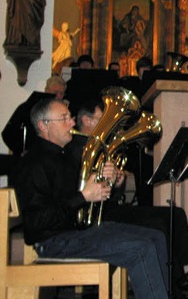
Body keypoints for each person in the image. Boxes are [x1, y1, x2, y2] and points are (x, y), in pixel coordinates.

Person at [14, 98, 169, 299]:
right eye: (64, 118)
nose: (71, 123)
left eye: (69, 117)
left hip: (78, 231)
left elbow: (97, 199)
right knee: (141, 248)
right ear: (44, 125)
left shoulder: (67, 155)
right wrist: (84, 196)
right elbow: (36, 222)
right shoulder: (32, 163)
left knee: (156, 237)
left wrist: (107, 182)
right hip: (53, 240)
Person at [67, 98, 188, 294]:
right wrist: (100, 180)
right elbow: (79, 191)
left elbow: (111, 193)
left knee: (174, 214)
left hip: (109, 207)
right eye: (101, 119)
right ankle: (170, 283)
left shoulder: (99, 147)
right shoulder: (75, 149)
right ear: (86, 120)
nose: (107, 125)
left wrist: (116, 181)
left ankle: (179, 274)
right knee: (159, 226)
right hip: (96, 215)